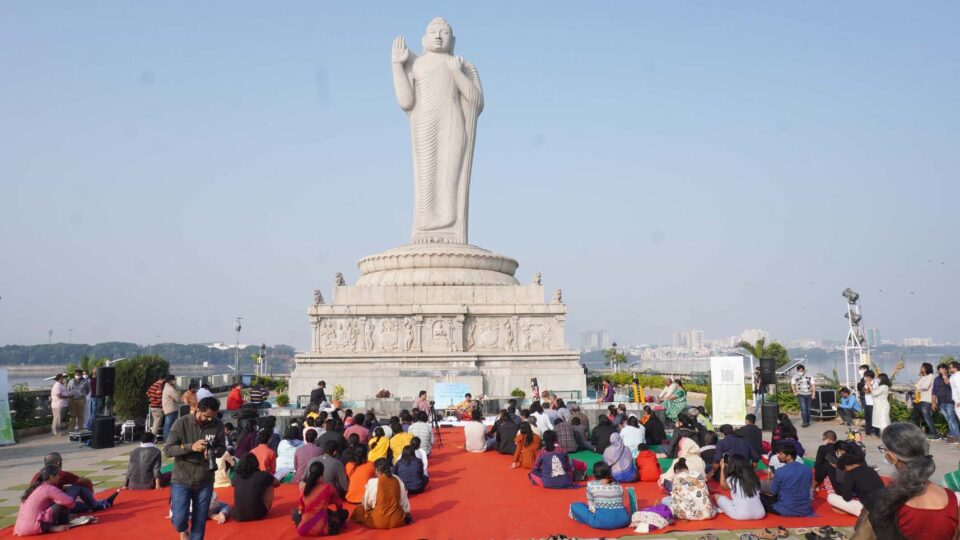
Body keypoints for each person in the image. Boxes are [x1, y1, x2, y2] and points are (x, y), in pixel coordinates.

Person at [854, 423, 960, 539]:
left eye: (884, 449)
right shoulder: (951, 498)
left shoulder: (881, 500)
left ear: (891, 456)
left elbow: (861, 536)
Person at [163, 396, 226, 540]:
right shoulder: (182, 423)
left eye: (213, 416)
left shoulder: (218, 425)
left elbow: (222, 448)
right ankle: (183, 530)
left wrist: (213, 451)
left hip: (205, 479)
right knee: (179, 519)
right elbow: (168, 450)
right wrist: (191, 446)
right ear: (198, 409)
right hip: (182, 478)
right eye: (207, 416)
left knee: (200, 520)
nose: (210, 419)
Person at [30, 452, 117, 514]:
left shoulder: (36, 476)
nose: (58, 477)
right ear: (58, 463)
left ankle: (102, 503)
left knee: (77, 504)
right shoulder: (61, 474)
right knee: (78, 488)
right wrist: (89, 487)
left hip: (39, 510)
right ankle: (96, 505)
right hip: (51, 510)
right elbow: (84, 482)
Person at [350, 458, 411, 529]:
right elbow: (403, 502)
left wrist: (368, 509)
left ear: (377, 470)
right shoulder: (397, 479)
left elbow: (367, 504)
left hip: (379, 521)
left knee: (358, 511)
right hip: (398, 520)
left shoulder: (373, 482)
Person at [14, 466, 76, 536]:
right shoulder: (48, 488)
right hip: (35, 526)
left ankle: (50, 527)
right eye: (57, 475)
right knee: (63, 502)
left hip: (20, 528)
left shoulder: (34, 488)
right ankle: (61, 524)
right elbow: (70, 502)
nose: (59, 477)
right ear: (52, 477)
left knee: (59, 501)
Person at [569, 461, 631, 529]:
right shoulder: (618, 485)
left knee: (575, 506)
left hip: (601, 522)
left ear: (595, 474)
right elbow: (621, 503)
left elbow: (591, 507)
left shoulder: (591, 485)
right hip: (624, 521)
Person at [293, 461, 348, 536]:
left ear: (309, 473)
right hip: (323, 528)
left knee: (295, 513)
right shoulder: (328, 487)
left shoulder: (304, 488)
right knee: (344, 513)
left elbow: (301, 508)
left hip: (304, 529)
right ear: (322, 473)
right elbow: (339, 504)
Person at [759, 442, 812, 516]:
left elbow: (774, 491)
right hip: (805, 509)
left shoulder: (780, 471)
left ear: (788, 456)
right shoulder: (807, 469)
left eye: (780, 454)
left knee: (758, 495)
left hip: (786, 509)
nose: (777, 456)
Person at [826, 450, 883, 516]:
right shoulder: (870, 469)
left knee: (831, 497)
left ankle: (847, 510)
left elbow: (847, 497)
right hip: (884, 506)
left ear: (846, 466)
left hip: (867, 510)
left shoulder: (850, 474)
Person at [230, 454, 279, 522]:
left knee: (240, 486)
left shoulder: (236, 476)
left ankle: (242, 506)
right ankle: (265, 506)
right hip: (257, 514)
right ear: (256, 464)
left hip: (237, 515)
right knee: (270, 483)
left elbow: (232, 484)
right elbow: (277, 483)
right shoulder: (263, 475)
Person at [714, 454, 765, 520]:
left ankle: (718, 509)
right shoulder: (753, 478)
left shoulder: (732, 479)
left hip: (741, 515)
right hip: (760, 514)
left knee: (715, 496)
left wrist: (722, 468)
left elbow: (723, 486)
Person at [933, 363, 960, 443]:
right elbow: (934, 391)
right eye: (939, 369)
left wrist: (944, 375)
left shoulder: (951, 377)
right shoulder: (937, 379)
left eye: (942, 369)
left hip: (950, 402)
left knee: (952, 420)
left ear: (945, 369)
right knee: (948, 420)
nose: (940, 371)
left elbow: (949, 385)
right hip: (941, 402)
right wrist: (934, 402)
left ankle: (956, 437)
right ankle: (954, 436)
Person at [915, 363, 938, 439]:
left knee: (927, 417)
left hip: (927, 400)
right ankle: (929, 432)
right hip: (921, 399)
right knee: (920, 417)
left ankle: (934, 434)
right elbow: (917, 385)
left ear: (927, 368)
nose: (921, 368)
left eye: (923, 367)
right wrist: (920, 377)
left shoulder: (930, 376)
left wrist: (918, 386)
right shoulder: (923, 377)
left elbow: (925, 387)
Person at [857, 366, 876, 436]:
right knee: (867, 417)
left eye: (866, 376)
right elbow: (864, 390)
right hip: (867, 402)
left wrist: (869, 387)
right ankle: (867, 432)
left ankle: (873, 431)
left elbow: (871, 392)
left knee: (871, 417)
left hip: (872, 403)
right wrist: (867, 387)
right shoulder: (866, 383)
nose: (865, 378)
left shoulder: (875, 383)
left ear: (869, 377)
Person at [162, 375, 181, 442]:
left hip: (168, 409)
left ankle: (166, 440)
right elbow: (178, 398)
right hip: (171, 409)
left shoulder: (167, 387)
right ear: (170, 380)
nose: (175, 381)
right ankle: (167, 440)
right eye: (174, 379)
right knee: (169, 426)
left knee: (167, 425)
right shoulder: (170, 389)